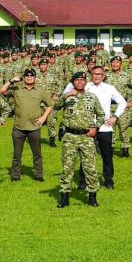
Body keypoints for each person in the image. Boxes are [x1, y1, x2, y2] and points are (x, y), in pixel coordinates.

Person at [54, 71, 104, 208]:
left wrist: (96, 128)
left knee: (90, 167)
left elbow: (101, 114)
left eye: (82, 80)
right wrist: (65, 96)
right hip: (70, 137)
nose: (80, 82)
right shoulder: (67, 96)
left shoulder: (91, 97)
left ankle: (92, 196)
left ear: (86, 82)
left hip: (86, 137)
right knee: (67, 167)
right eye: (77, 80)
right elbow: (55, 106)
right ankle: (64, 197)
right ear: (73, 82)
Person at [75, 65, 128, 188]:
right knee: (86, 155)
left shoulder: (109, 88)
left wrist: (115, 117)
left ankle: (109, 180)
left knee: (107, 156)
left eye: (99, 74)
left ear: (103, 76)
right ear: (91, 75)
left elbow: (123, 102)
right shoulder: (86, 87)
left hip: (105, 127)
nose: (97, 76)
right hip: (87, 127)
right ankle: (83, 180)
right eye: (94, 74)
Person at [0, 69, 54, 182]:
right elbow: (2, 91)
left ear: (35, 78)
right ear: (24, 78)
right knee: (17, 154)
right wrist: (11, 81)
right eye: (27, 76)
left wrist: (44, 117)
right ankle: (15, 176)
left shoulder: (40, 91)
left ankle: (39, 175)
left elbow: (50, 104)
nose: (29, 78)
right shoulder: (17, 88)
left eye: (31, 76)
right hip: (19, 127)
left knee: (37, 153)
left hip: (34, 127)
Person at [102, 58, 132, 158]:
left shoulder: (127, 75)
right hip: (109, 106)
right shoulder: (106, 76)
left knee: (123, 128)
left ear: (121, 64)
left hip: (122, 106)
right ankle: (110, 149)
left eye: (117, 62)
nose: (115, 64)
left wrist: (131, 101)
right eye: (113, 62)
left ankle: (125, 149)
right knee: (110, 129)